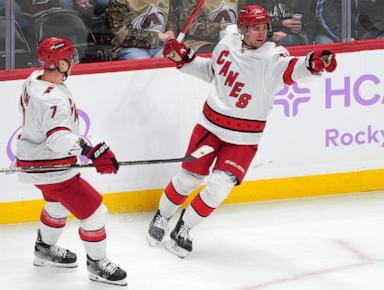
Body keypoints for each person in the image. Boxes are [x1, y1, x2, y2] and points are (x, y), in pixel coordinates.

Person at [147, 5, 337, 258]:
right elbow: (212, 73)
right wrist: (186, 60)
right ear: (243, 28)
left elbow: (293, 69)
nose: (261, 33)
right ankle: (162, 216)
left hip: (244, 139)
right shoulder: (226, 44)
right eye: (255, 28)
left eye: (264, 28)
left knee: (219, 187)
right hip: (210, 127)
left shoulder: (274, 56)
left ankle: (183, 227)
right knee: (189, 179)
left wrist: (313, 64)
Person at [16, 37, 127, 286]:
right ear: (60, 63)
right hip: (51, 167)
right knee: (96, 212)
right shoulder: (52, 99)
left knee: (57, 206)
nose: (73, 62)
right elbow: (58, 139)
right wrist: (91, 151)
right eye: (69, 58)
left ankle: (44, 248)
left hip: (35, 160)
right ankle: (97, 264)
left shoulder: (34, 78)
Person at [107, 0, 178, 60]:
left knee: (171, 61)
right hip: (131, 48)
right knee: (144, 65)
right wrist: (157, 36)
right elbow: (122, 34)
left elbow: (171, 17)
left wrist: (170, 30)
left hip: (161, 46)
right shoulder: (119, 1)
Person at [178, 0, 247, 53]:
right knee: (221, 52)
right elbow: (190, 24)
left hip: (234, 42)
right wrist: (220, 30)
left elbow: (244, 17)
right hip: (199, 43)